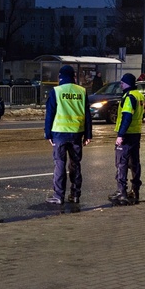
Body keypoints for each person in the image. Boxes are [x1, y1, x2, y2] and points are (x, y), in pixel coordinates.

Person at [44, 65, 92, 205]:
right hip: (76, 133)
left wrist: (48, 134)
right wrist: (88, 134)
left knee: (60, 164)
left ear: (60, 76)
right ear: (73, 77)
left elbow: (50, 114)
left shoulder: (57, 91)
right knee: (75, 164)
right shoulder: (82, 91)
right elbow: (87, 114)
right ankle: (75, 195)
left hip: (59, 133)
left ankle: (59, 196)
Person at [109, 73, 144, 206]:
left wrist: (120, 135)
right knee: (134, 162)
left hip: (127, 134)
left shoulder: (129, 97)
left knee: (121, 163)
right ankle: (135, 190)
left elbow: (127, 117)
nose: (121, 84)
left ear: (127, 83)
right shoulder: (139, 95)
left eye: (122, 82)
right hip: (136, 133)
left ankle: (121, 192)